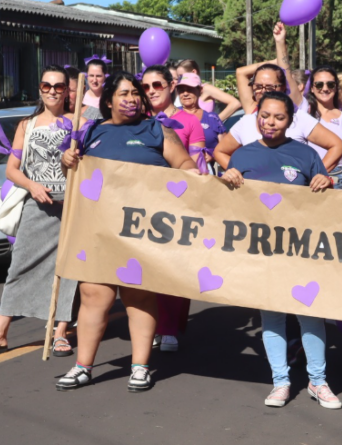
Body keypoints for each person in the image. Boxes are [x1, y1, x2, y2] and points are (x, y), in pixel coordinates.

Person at [57, 71, 200, 391]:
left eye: (136, 93)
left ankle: (140, 366)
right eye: (124, 94)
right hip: (99, 230)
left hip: (143, 232)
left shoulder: (157, 131)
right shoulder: (91, 131)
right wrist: (69, 160)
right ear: (108, 101)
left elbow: (186, 168)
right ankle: (82, 366)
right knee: (93, 296)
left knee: (139, 297)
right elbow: (74, 174)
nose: (132, 99)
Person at [220, 91, 341, 409]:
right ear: (256, 115)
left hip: (302, 249)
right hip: (261, 252)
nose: (270, 122)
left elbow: (326, 198)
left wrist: (326, 183)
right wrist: (226, 179)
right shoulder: (242, 155)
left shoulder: (305, 154)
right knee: (271, 317)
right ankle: (280, 382)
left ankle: (318, 382)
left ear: (290, 121)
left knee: (310, 317)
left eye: (279, 117)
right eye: (265, 116)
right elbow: (228, 210)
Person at [0, 65, 84, 359]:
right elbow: (11, 170)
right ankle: (0, 333)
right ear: (40, 89)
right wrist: (32, 186)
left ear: (67, 91)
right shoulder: (26, 126)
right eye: (47, 86)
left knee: (67, 270)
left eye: (59, 86)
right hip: (37, 206)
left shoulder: (79, 123)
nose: (53, 91)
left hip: (71, 209)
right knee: (19, 266)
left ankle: (59, 332)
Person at [142, 65, 205, 352]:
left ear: (171, 86)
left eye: (158, 85)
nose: (152, 91)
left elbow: (195, 165)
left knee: (173, 269)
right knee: (146, 269)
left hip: (178, 204)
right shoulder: (137, 122)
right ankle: (152, 324)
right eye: (146, 87)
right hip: (142, 204)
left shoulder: (189, 122)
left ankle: (169, 327)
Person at [218, 62, 342, 173]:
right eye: (258, 87)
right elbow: (220, 152)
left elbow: (337, 145)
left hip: (293, 197)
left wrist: (315, 175)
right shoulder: (247, 121)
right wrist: (237, 174)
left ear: (283, 87)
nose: (263, 91)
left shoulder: (298, 118)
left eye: (269, 87)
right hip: (254, 197)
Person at [305, 66, 342, 189]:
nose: (325, 89)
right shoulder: (303, 116)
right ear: (312, 88)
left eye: (330, 84)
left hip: (337, 179)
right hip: (308, 177)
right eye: (319, 85)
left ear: (336, 87)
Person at [175, 72, 226, 175]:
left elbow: (226, 149)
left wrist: (213, 155)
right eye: (181, 90)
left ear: (200, 90)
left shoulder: (212, 118)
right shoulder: (172, 116)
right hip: (178, 174)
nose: (185, 94)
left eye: (189, 89)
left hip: (206, 177)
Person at [176, 59, 242, 121]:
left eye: (181, 76)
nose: (179, 79)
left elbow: (235, 103)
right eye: (178, 77)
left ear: (194, 72)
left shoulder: (206, 89)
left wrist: (215, 122)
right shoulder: (182, 92)